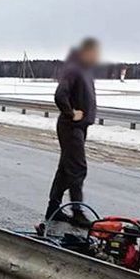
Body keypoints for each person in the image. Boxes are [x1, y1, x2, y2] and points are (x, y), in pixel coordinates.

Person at [45, 38, 100, 227]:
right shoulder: (74, 69)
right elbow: (60, 95)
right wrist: (70, 113)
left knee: (65, 169)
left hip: (80, 127)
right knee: (78, 168)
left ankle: (53, 208)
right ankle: (77, 212)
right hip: (71, 127)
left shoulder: (85, 70)